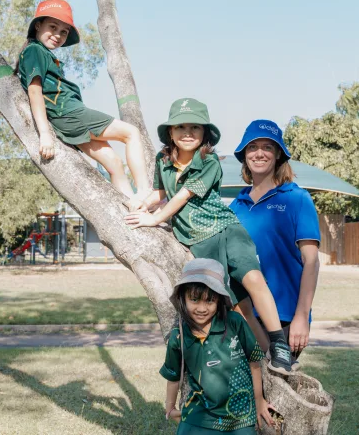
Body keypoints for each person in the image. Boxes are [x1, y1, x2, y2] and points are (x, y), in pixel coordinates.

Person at [125, 98, 293, 374]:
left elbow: (183, 194)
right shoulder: (163, 160)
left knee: (252, 278)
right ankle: (267, 361)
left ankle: (280, 345)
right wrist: (145, 204)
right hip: (199, 243)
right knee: (238, 307)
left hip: (225, 231)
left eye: (195, 127)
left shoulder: (209, 160)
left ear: (205, 134)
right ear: (170, 132)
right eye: (180, 126)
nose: (187, 132)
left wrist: (155, 218)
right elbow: (162, 193)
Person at [16, 0, 150, 207]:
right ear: (38, 26)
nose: (58, 35)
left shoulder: (41, 53)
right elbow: (35, 91)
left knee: (114, 163)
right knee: (131, 133)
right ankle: (144, 192)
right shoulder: (35, 51)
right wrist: (44, 134)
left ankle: (131, 206)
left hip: (69, 117)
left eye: (64, 32)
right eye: (53, 27)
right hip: (69, 114)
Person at [230, 119, 320, 368]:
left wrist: (301, 316)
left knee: (278, 394)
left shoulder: (297, 199)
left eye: (267, 147)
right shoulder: (235, 207)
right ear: (244, 155)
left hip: (284, 317)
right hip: (244, 314)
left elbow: (311, 261)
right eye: (252, 147)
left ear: (278, 154)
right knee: (249, 394)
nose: (259, 153)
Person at [160, 258, 275, 434]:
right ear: (183, 298)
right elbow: (173, 376)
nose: (201, 308)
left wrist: (259, 401)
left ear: (219, 300)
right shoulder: (179, 336)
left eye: (209, 301)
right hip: (198, 415)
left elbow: (254, 363)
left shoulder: (235, 322)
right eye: (194, 300)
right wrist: (170, 408)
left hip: (241, 416)